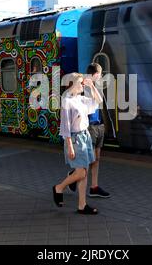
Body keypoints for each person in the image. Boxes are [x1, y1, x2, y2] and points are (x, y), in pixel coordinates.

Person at [53, 72, 103, 214]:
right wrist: (69, 146)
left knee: (84, 172)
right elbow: (66, 126)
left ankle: (82, 205)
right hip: (75, 139)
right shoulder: (67, 101)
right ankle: (59, 188)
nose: (82, 84)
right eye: (80, 82)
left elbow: (98, 101)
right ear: (72, 84)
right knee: (81, 172)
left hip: (85, 136)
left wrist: (92, 86)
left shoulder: (79, 99)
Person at [67, 63, 111, 198]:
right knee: (88, 159)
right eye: (100, 73)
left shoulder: (94, 85)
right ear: (96, 73)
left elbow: (99, 102)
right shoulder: (82, 85)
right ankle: (74, 176)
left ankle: (94, 186)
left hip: (98, 125)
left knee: (96, 158)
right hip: (89, 126)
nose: (101, 76)